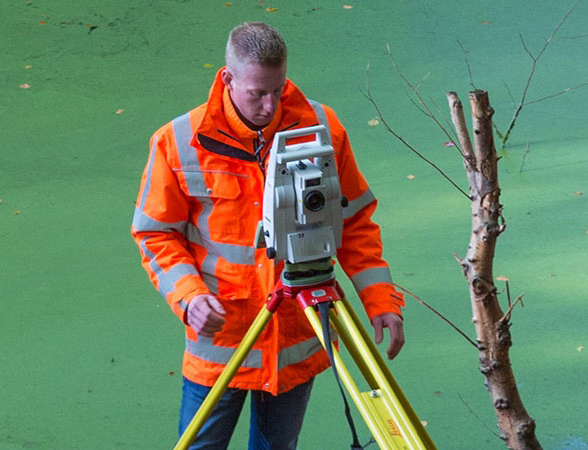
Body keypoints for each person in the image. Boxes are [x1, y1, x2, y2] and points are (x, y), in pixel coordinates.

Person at [131, 21, 405, 449]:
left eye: (277, 90)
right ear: (228, 79)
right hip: (222, 342)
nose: (269, 104)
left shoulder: (319, 126)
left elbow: (353, 221)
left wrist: (380, 299)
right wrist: (188, 296)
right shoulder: (179, 142)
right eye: (257, 92)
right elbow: (155, 234)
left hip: (297, 339)